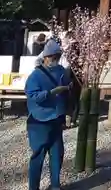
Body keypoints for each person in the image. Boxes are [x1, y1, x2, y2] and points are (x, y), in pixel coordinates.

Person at [25, 39, 72, 190]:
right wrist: (51, 93)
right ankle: (34, 187)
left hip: (56, 118)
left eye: (57, 57)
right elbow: (32, 95)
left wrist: (68, 90)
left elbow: (67, 92)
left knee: (57, 155)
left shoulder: (62, 71)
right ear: (45, 57)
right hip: (39, 120)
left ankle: (56, 186)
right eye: (53, 57)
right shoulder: (35, 76)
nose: (55, 60)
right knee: (38, 156)